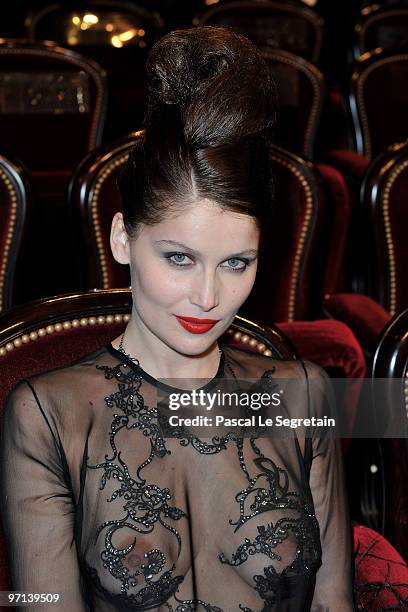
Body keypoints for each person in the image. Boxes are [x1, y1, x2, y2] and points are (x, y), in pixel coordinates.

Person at [0, 26, 354, 611]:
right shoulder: (47, 415)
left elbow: (333, 604)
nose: (208, 296)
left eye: (236, 262)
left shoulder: (304, 395)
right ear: (122, 238)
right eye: (179, 258)